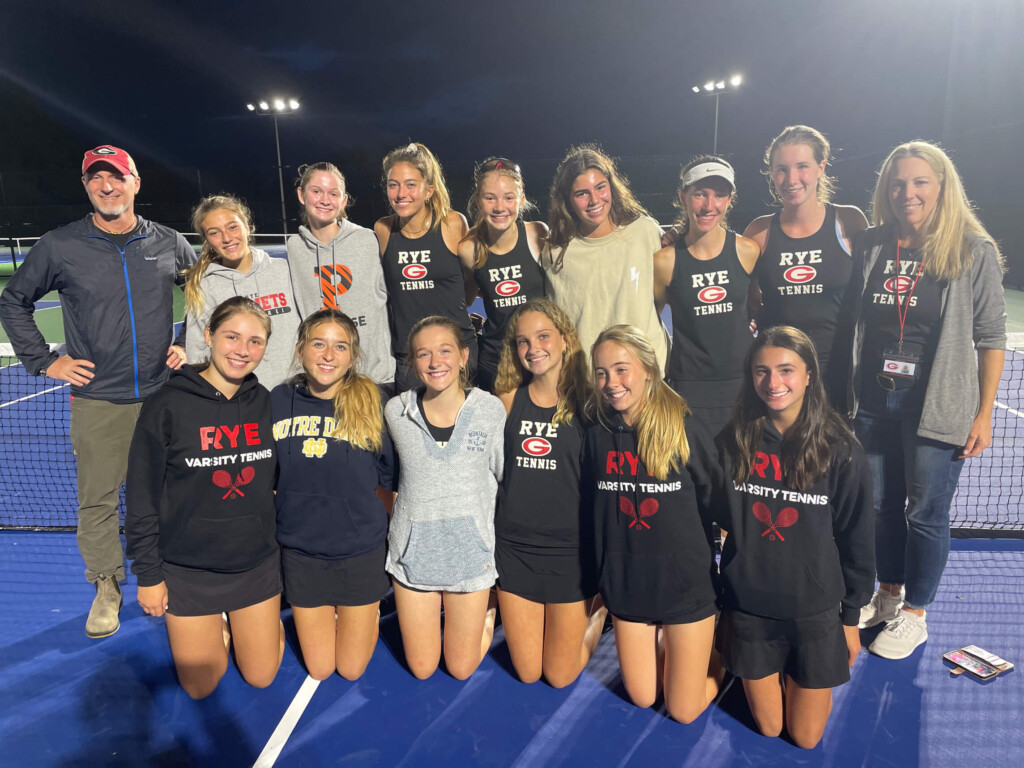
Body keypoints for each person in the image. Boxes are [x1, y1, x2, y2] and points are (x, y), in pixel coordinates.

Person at [0, 145, 195, 638]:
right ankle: (107, 587)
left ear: (135, 182)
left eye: (116, 177)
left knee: (173, 493)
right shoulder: (60, 245)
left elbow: (205, 292)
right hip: (97, 401)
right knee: (98, 502)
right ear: (87, 186)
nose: (106, 186)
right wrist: (46, 361)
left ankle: (173, 570)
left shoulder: (169, 242)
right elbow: (14, 300)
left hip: (163, 397)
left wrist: (189, 341)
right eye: (96, 179)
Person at [850, 141, 1006, 659]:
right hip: (872, 401)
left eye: (920, 182)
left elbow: (990, 336)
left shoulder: (971, 250)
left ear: (942, 187)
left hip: (935, 404)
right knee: (879, 507)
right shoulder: (873, 244)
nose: (907, 193)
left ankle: (917, 611)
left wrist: (983, 414)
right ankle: (889, 594)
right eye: (898, 183)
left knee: (925, 514)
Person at [716, 325, 873, 748]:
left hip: (814, 613)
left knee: (805, 738)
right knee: (768, 727)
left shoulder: (841, 448)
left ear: (808, 376)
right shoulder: (733, 442)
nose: (773, 383)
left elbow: (858, 540)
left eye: (786, 370)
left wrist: (851, 619)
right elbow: (703, 512)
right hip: (750, 610)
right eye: (761, 371)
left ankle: (800, 673)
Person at [126, 297, 284, 699]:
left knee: (262, 676)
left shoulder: (265, 402)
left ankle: (249, 626)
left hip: (254, 564)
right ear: (209, 336)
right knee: (200, 687)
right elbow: (142, 495)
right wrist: (149, 575)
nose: (243, 350)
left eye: (255, 341)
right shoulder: (167, 404)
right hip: (187, 569)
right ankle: (217, 626)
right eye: (232, 337)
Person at [583, 325, 720, 723]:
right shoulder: (596, 436)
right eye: (602, 372)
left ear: (648, 369)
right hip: (629, 586)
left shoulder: (684, 429)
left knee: (683, 710)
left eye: (622, 369)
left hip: (684, 588)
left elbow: (718, 502)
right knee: (642, 697)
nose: (611, 383)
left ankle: (721, 654)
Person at [272, 309, 396, 680]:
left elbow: (388, 479)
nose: (328, 354)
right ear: (299, 350)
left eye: (340, 346)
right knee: (321, 668)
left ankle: (366, 607)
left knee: (352, 669)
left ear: (353, 357)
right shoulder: (277, 400)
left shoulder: (373, 402)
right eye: (318, 344)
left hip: (359, 554)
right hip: (302, 555)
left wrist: (369, 528)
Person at [384, 316, 505, 680]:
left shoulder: (489, 410)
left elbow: (502, 477)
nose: (436, 362)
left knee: (460, 667)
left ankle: (489, 604)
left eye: (445, 351)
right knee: (421, 668)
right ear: (413, 362)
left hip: (470, 557)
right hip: (414, 557)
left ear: (464, 356)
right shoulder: (396, 413)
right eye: (424, 354)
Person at [492, 299, 605, 687]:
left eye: (543, 336)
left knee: (559, 675)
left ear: (565, 339)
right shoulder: (507, 400)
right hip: (516, 549)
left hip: (570, 553)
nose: (533, 348)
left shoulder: (591, 404)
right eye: (523, 341)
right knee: (526, 673)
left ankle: (597, 612)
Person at [743, 126, 868, 407]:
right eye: (781, 169)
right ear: (772, 174)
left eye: (802, 166)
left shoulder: (849, 221)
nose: (791, 179)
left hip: (837, 376)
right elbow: (747, 297)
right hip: (778, 382)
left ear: (820, 167)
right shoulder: (759, 231)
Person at [654, 156, 760, 436]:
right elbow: (650, 320)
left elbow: (760, 305)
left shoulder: (748, 251)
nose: (708, 205)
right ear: (683, 197)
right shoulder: (664, 261)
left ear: (729, 200)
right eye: (700, 194)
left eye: (719, 195)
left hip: (741, 386)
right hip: (689, 389)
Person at [543, 145, 668, 372]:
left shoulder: (645, 231)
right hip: (588, 386)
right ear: (567, 200)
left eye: (600, 187)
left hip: (647, 381)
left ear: (612, 186)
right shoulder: (554, 252)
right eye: (582, 194)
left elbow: (663, 295)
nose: (594, 200)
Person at [375, 143, 476, 391]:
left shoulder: (452, 223)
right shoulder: (383, 230)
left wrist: (460, 311)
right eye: (393, 185)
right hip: (410, 358)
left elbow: (472, 280)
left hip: (457, 353)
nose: (401, 194)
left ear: (428, 190)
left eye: (411, 185)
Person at [286, 162, 395, 385]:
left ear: (344, 200)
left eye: (333, 193)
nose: (325, 200)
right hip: (321, 379)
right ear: (301, 194)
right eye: (316, 191)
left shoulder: (368, 240)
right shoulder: (295, 247)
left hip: (372, 379)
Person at [183, 194, 300, 389]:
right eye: (214, 233)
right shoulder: (205, 286)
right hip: (242, 398)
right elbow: (197, 352)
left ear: (247, 226)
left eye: (232, 227)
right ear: (207, 240)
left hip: (295, 392)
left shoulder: (284, 270)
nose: (227, 238)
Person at [457, 158, 547, 392]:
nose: (499, 207)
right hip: (496, 360)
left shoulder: (537, 234)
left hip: (541, 358)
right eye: (490, 198)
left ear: (521, 200)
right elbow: (467, 298)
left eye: (509, 197)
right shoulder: (469, 249)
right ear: (478, 201)